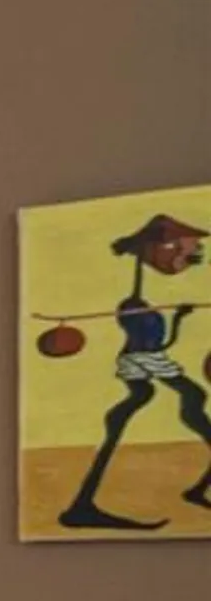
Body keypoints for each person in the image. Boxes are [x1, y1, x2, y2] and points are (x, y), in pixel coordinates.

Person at [56, 211, 211, 531]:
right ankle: (84, 504)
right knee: (191, 395)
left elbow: (161, 343)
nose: (189, 254)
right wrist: (142, 247)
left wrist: (179, 319)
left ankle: (196, 488)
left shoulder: (143, 310)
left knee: (149, 394)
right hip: (142, 358)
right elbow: (150, 343)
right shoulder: (134, 304)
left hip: (143, 357)